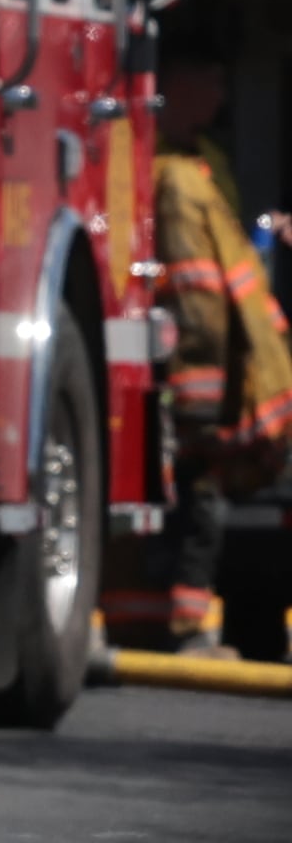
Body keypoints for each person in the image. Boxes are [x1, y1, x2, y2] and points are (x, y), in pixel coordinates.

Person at [127, 52, 292, 655]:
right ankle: (180, 629)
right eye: (212, 79)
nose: (222, 95)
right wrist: (202, 390)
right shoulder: (174, 178)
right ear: (174, 85)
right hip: (200, 381)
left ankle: (175, 626)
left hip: (223, 379)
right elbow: (198, 295)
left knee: (198, 502)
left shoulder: (198, 165)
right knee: (194, 503)